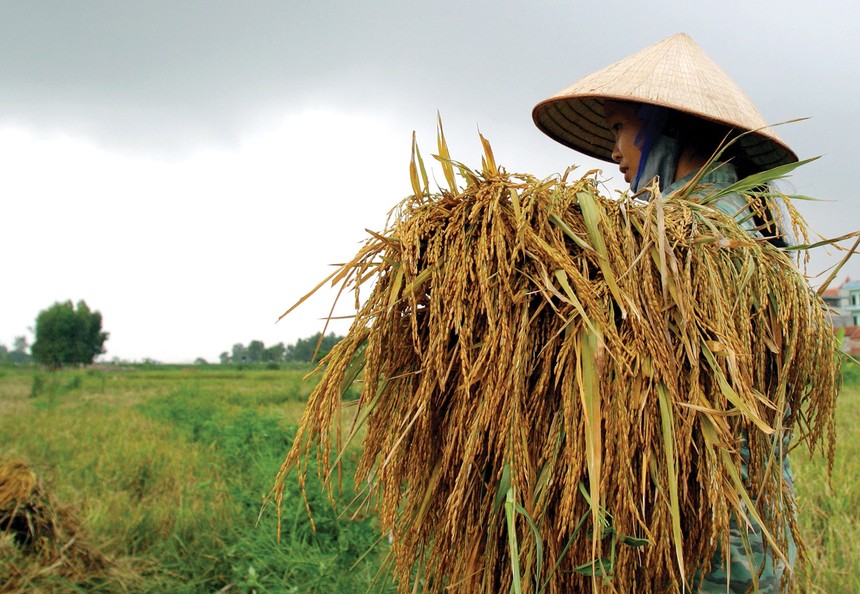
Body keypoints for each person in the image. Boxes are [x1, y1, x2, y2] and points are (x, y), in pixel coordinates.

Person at [532, 33, 799, 592]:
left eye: (618, 129)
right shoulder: (742, 219)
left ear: (661, 128)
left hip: (713, 528)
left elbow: (664, 372)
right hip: (738, 516)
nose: (614, 153)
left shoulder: (704, 240)